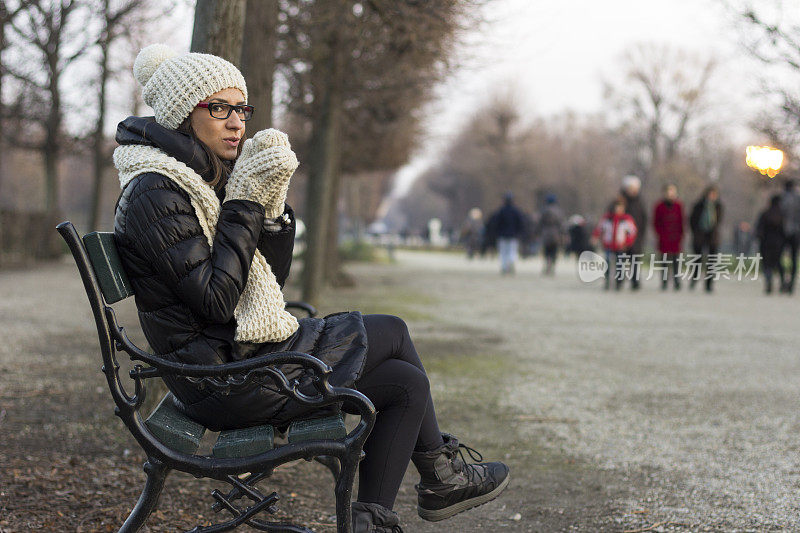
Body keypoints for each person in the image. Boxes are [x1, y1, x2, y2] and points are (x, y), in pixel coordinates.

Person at [112, 44, 509, 532]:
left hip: (233, 360)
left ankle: (378, 516)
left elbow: (263, 286)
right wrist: (243, 205)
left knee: (407, 384)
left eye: (241, 108)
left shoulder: (194, 181)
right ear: (181, 114)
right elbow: (218, 302)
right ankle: (440, 473)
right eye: (218, 108)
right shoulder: (158, 191)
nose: (236, 122)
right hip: (224, 379)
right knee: (393, 330)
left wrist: (271, 213)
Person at [592, 197, 638, 290]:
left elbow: (633, 232)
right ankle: (607, 281)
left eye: (620, 208)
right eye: (617, 207)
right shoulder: (607, 218)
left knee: (619, 264)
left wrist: (627, 243)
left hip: (621, 246)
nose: (618, 210)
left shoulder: (626, 219)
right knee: (607, 264)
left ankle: (619, 282)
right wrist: (595, 237)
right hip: (608, 245)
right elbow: (599, 229)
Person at [689, 185, 724, 293]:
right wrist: (695, 232)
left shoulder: (718, 206)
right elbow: (692, 220)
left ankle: (709, 283)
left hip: (712, 237)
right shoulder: (699, 205)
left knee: (712, 261)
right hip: (700, 235)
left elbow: (719, 221)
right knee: (697, 259)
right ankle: (694, 279)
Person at [652, 184, 685, 290]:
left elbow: (682, 221)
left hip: (676, 237)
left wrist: (680, 234)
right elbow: (655, 222)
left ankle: (676, 281)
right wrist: (660, 233)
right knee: (664, 261)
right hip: (664, 237)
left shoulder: (678, 206)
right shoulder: (659, 206)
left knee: (676, 261)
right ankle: (664, 282)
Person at [487, 192, 526, 274]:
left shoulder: (501, 211)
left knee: (503, 252)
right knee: (512, 251)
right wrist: (519, 233)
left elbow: (495, 223)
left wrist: (496, 233)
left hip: (502, 235)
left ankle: (504, 267)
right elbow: (521, 223)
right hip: (513, 235)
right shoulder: (516, 211)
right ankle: (511, 263)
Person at [621, 175, 647, 290]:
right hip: (621, 237)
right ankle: (619, 280)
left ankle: (635, 281)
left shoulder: (640, 203)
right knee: (620, 260)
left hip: (636, 237)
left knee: (635, 261)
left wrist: (641, 235)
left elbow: (644, 219)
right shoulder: (620, 201)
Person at [756, 195, 786, 294]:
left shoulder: (765, 214)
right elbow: (785, 231)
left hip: (766, 243)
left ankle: (769, 283)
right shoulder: (783, 215)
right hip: (778, 243)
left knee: (767, 264)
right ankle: (782, 283)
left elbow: (759, 229)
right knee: (778, 263)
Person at [779, 179, 800, 293]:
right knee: (793, 258)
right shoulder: (798, 198)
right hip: (796, 232)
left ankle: (783, 281)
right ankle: (791, 284)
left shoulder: (782, 198)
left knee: (780, 257)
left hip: (783, 232)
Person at [538, 193, 565, 275]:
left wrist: (537, 232)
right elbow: (562, 224)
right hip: (555, 234)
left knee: (546, 251)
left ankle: (547, 265)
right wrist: (563, 233)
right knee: (554, 251)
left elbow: (540, 223)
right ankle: (552, 266)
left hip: (546, 233)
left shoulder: (544, 210)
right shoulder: (559, 211)